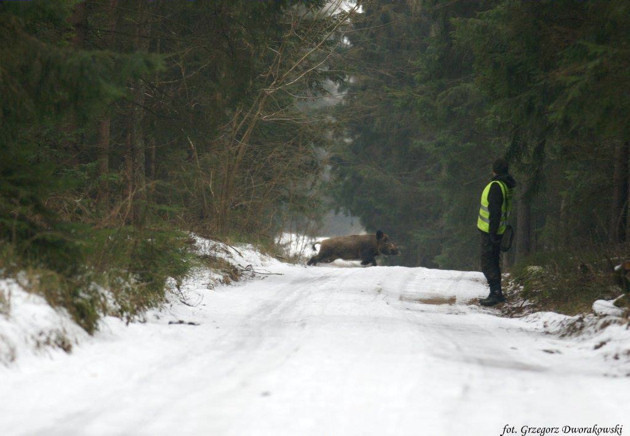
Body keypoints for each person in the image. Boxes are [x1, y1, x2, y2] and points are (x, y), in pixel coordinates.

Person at [477, 158, 516, 307]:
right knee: (494, 261)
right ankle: (496, 292)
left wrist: (492, 233)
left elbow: (495, 211)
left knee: (488, 263)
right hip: (499, 230)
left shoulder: (495, 186)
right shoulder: (506, 185)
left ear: (494, 170)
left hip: (491, 231)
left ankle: (495, 293)